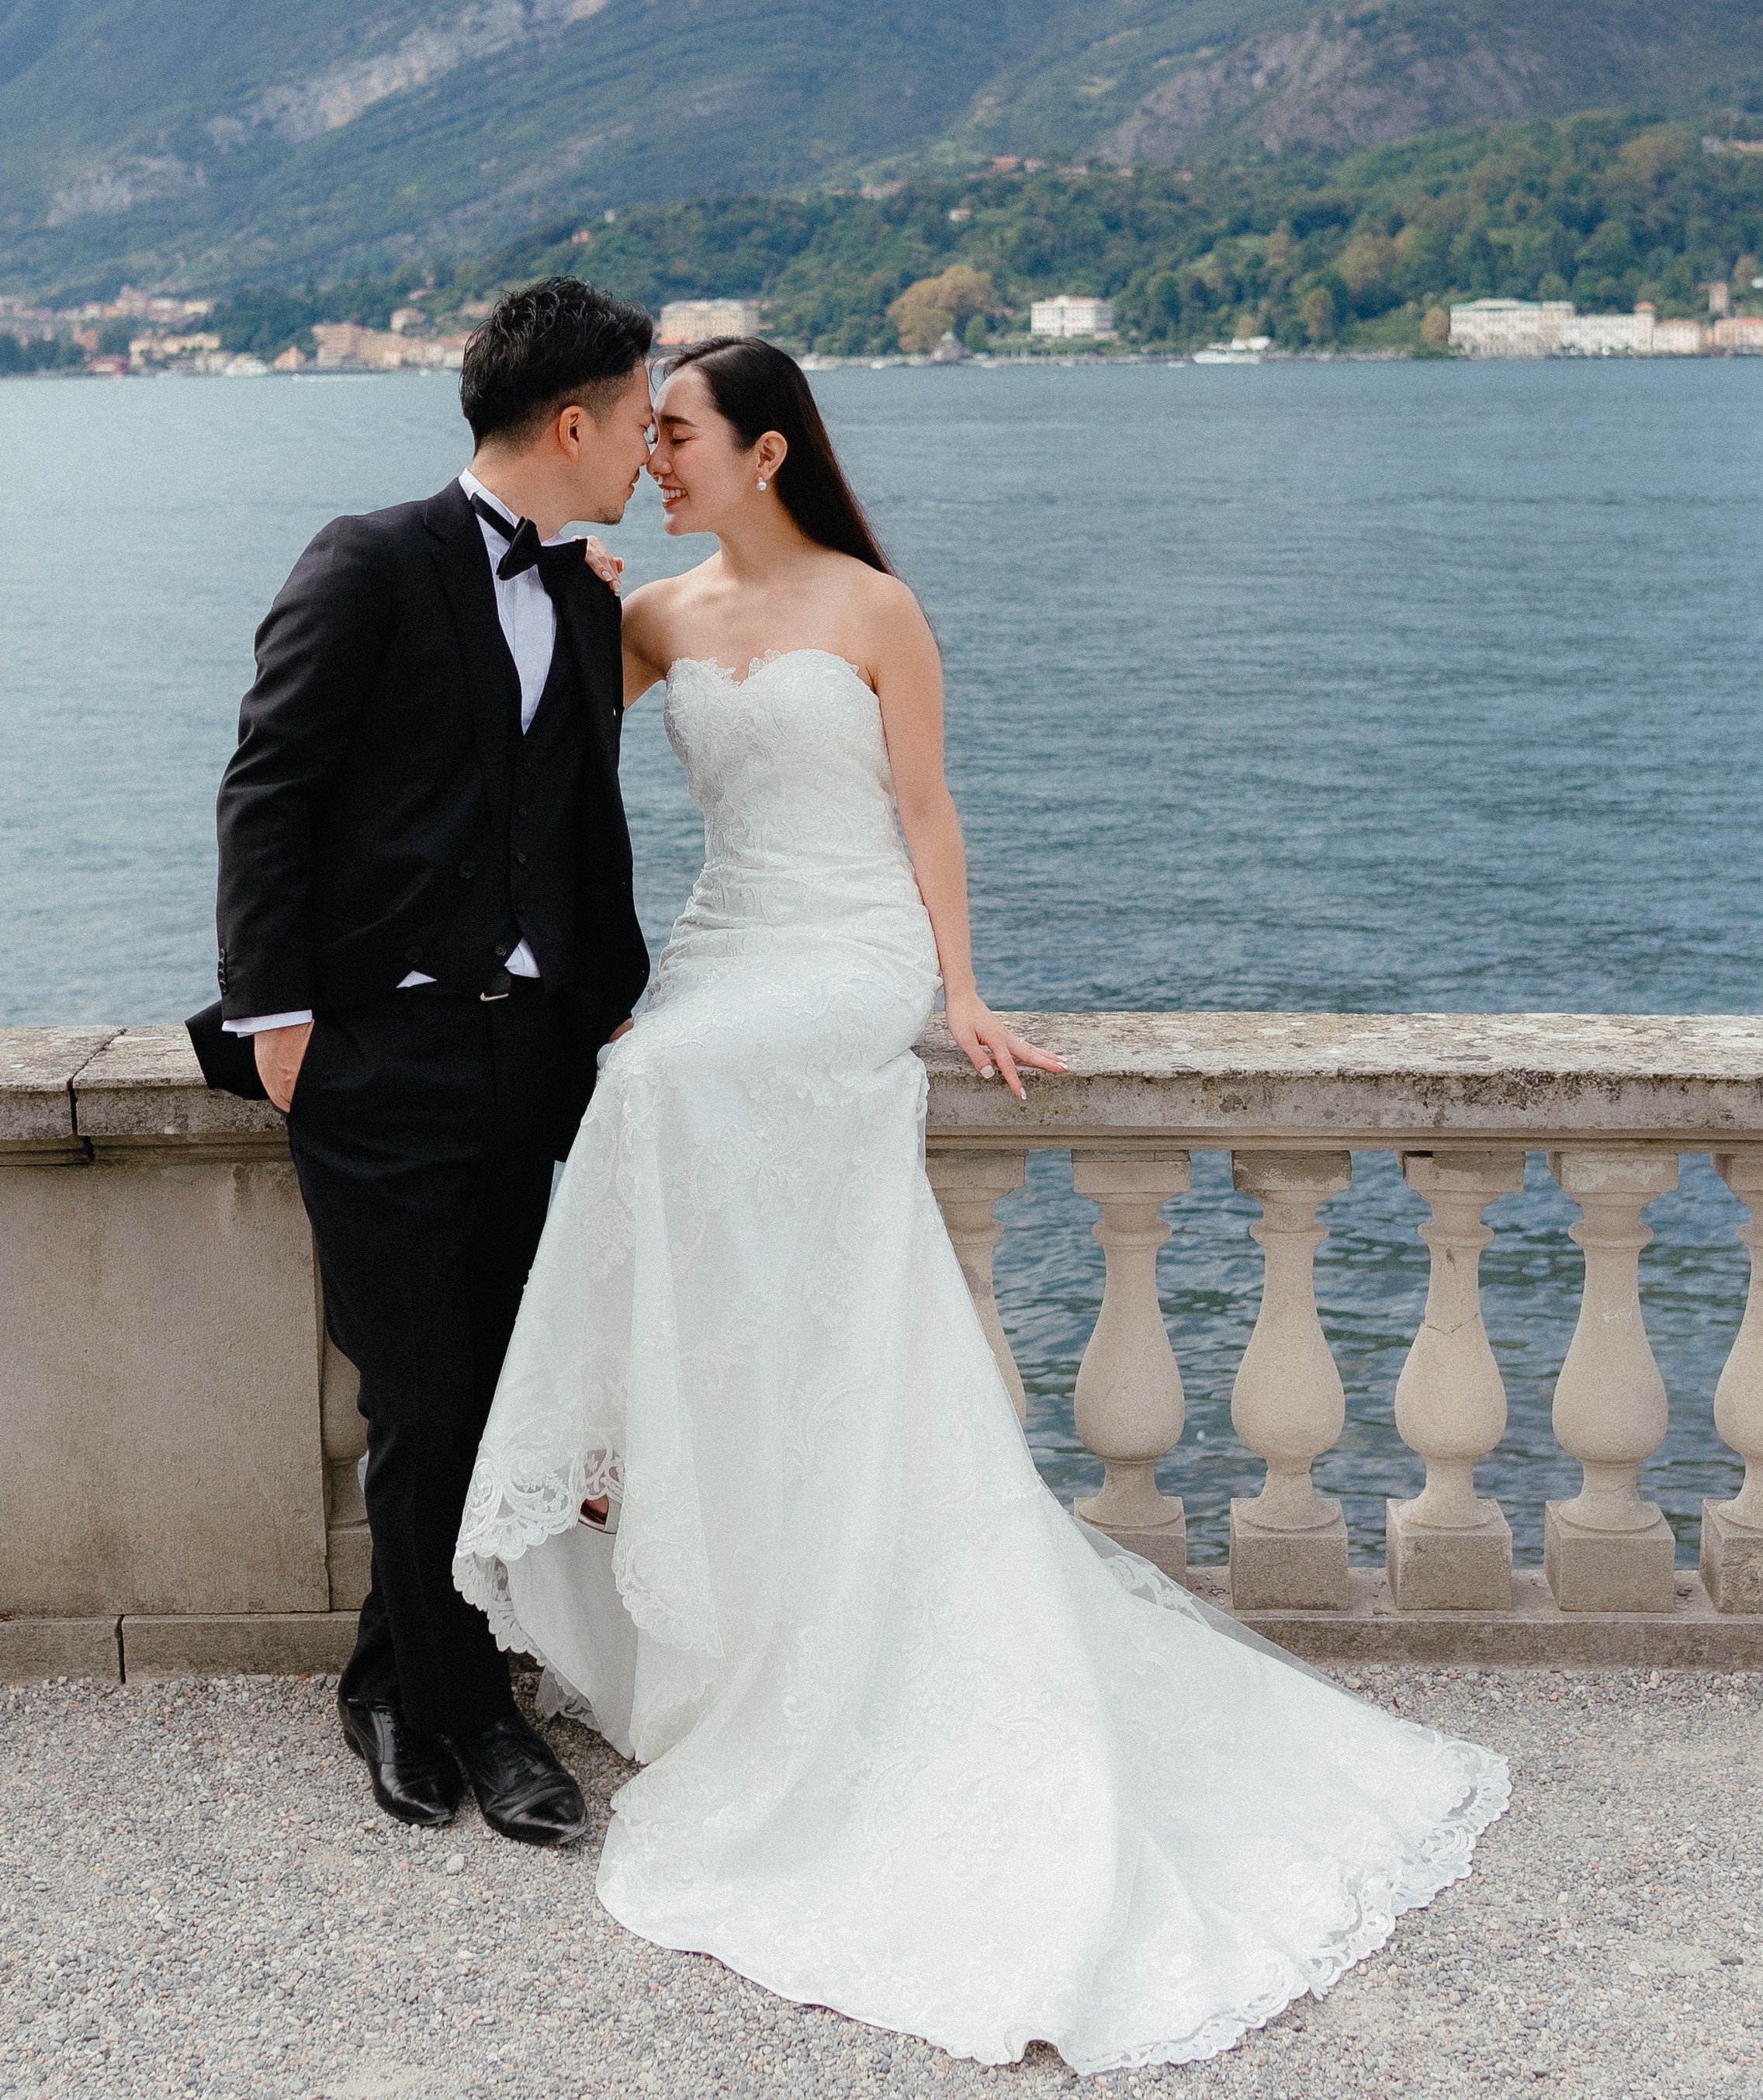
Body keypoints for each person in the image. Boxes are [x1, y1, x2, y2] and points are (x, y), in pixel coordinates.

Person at [455, 338, 1508, 2074]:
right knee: (645, 1079)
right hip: (725, 948)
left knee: (652, 1089)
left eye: (677, 435)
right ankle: (676, 1501)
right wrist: (571, 609)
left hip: (849, 951)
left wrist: (957, 989)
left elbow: (927, 809)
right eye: (641, 436)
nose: (651, 457)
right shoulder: (646, 620)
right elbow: (542, 778)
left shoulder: (877, 608)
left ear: (767, 449)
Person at [188, 279, 653, 1845]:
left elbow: (573, 817)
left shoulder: (587, 596)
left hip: (534, 1059)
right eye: (642, 417)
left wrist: (610, 996)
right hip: (374, 1056)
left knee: (497, 1396)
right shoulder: (369, 559)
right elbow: (270, 788)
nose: (650, 448)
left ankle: (390, 1680)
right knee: (422, 1391)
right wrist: (280, 1024)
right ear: (574, 420)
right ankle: (470, 1714)